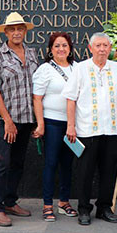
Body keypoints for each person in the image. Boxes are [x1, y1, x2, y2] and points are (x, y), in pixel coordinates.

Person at [63, 33, 117, 226]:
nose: (102, 49)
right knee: (85, 172)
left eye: (105, 45)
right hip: (87, 129)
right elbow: (70, 98)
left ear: (110, 48)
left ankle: (104, 207)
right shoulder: (80, 68)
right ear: (90, 47)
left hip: (112, 129)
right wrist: (71, 125)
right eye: (98, 45)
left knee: (108, 171)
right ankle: (84, 209)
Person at [0, 12, 39, 227]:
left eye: (20, 29)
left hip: (27, 118)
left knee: (18, 162)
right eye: (12, 29)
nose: (17, 32)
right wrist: (7, 120)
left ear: (25, 31)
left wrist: (38, 120)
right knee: (4, 161)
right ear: (6, 32)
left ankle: (10, 201)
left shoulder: (33, 53)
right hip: (7, 119)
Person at [32, 32, 77, 222]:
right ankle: (47, 205)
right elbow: (37, 98)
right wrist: (40, 124)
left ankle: (64, 202)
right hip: (51, 123)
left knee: (67, 165)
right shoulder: (45, 69)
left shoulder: (77, 68)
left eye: (65, 45)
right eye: (57, 46)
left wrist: (73, 124)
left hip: (72, 125)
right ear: (50, 50)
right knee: (51, 164)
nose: (61, 49)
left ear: (70, 48)